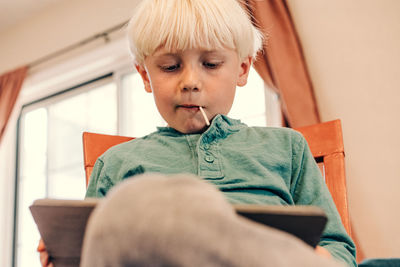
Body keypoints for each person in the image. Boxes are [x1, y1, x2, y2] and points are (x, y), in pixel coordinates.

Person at [39, 0, 356, 266]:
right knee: (124, 215)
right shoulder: (116, 163)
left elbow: (340, 253)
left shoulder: (287, 146)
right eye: (170, 67)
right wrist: (64, 254)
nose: (190, 81)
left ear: (243, 69)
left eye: (211, 63)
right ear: (145, 76)